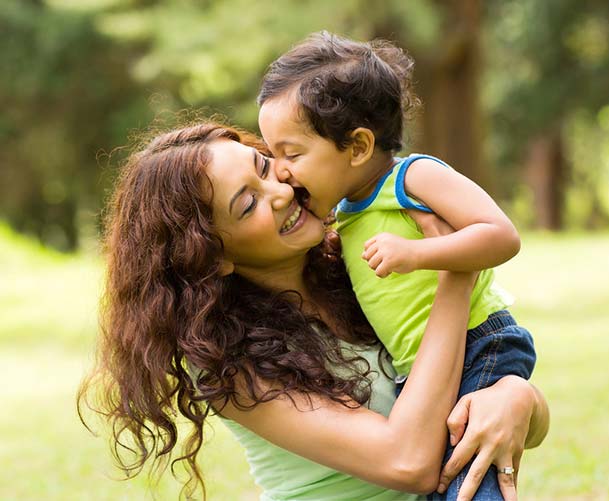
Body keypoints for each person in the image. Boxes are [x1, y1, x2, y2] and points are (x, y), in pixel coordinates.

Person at [77, 122, 548, 501]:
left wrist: (516, 397)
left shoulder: (359, 265)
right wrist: (455, 269)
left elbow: (478, 385)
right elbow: (407, 462)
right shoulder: (229, 361)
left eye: (264, 166)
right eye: (248, 203)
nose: (279, 190)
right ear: (212, 256)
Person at [258, 32, 538, 500]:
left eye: (292, 154)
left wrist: (420, 254)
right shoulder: (343, 213)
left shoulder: (412, 178)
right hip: (422, 367)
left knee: (469, 480)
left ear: (358, 146)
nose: (281, 171)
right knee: (446, 479)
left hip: (478, 342)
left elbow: (501, 235)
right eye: (272, 155)